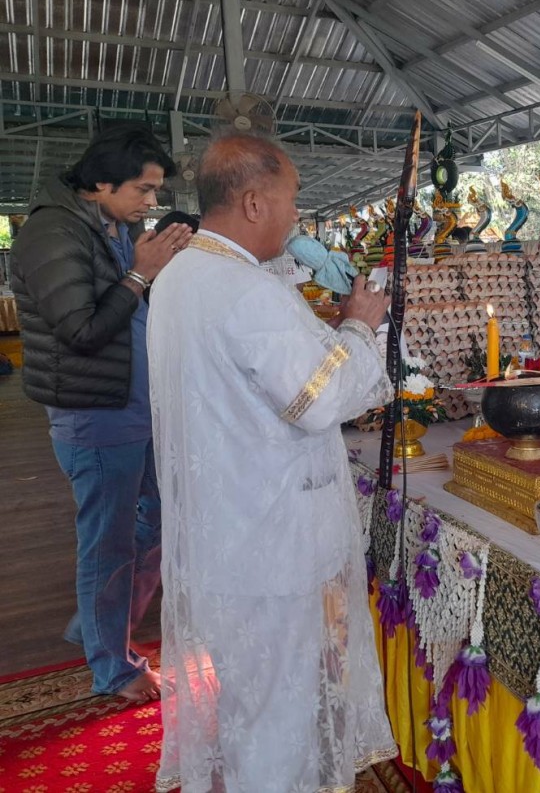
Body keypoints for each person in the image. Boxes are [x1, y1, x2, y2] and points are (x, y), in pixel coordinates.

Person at [147, 133, 397, 792]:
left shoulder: (179, 276)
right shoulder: (241, 289)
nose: (296, 218)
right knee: (276, 719)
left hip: (224, 531)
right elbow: (318, 398)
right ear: (254, 201)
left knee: (251, 703)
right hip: (268, 543)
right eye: (291, 201)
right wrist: (361, 326)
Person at [10, 124, 192, 704]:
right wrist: (140, 274)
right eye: (143, 189)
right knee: (107, 544)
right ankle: (112, 666)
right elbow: (82, 330)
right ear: (100, 183)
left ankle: (99, 623)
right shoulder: (49, 232)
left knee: (158, 520)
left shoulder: (115, 226)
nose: (151, 202)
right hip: (96, 416)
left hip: (135, 408)